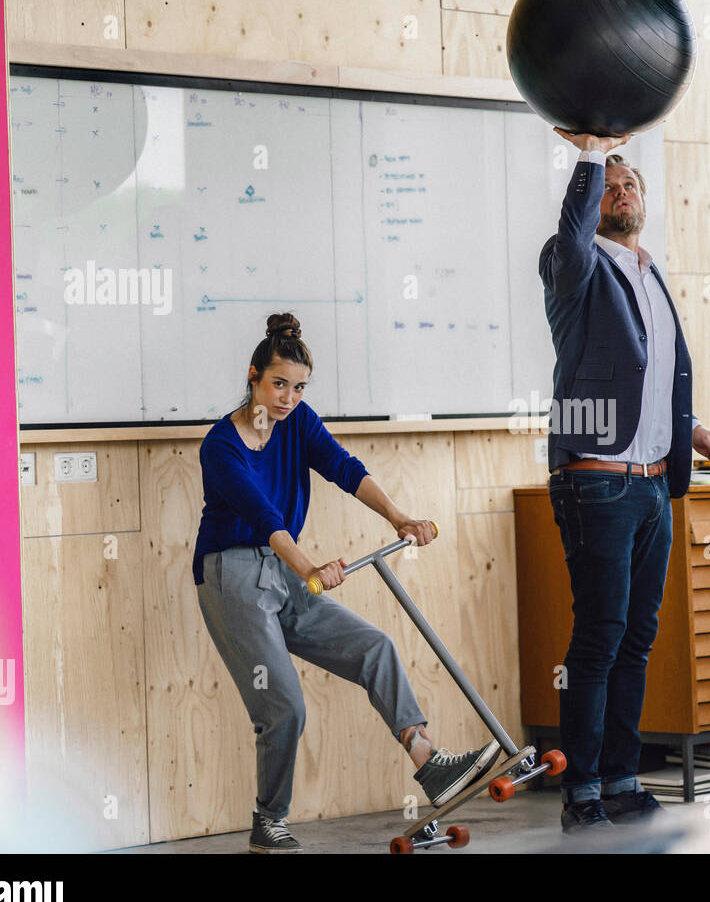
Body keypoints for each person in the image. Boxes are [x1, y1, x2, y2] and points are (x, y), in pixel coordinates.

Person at [193, 312, 500, 853]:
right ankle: (269, 821)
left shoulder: (300, 422)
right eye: (278, 384)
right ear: (254, 376)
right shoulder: (221, 445)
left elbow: (344, 467)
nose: (288, 398)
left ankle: (428, 762)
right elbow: (265, 516)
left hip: (283, 572)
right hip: (234, 576)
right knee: (284, 704)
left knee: (374, 647)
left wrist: (399, 517)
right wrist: (309, 568)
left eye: (299, 386)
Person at [540, 129, 710, 833]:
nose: (622, 192)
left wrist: (693, 431)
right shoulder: (575, 267)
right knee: (599, 635)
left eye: (631, 184)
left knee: (636, 638)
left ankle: (622, 780)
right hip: (596, 482)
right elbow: (570, 234)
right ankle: (581, 793)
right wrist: (591, 154)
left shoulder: (651, 274)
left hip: (654, 483)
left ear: (645, 203)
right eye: (610, 185)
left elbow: (648, 381)